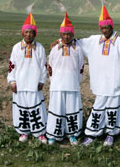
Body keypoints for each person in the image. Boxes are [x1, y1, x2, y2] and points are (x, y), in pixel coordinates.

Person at [78, 5, 120, 147]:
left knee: (113, 110)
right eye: (102, 28)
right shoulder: (95, 40)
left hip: (115, 83)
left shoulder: (119, 42)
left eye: (106, 28)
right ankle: (92, 134)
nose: (104, 31)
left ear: (111, 27)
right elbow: (77, 42)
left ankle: (110, 135)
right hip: (101, 83)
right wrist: (60, 42)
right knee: (98, 108)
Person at [7, 12, 48, 144]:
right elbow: (12, 66)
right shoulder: (16, 48)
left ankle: (40, 133)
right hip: (20, 84)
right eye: (26, 32)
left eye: (31, 32)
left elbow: (43, 66)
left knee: (36, 109)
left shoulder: (40, 48)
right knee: (22, 109)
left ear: (35, 34)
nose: (28, 34)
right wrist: (12, 81)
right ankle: (24, 132)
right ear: (22, 33)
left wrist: (42, 80)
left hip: (34, 84)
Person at [46, 12, 84, 146]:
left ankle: (72, 135)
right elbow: (49, 66)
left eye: (69, 34)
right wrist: (54, 80)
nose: (66, 37)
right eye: (64, 34)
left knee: (72, 110)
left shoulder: (78, 48)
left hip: (72, 85)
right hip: (57, 85)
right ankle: (53, 135)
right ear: (60, 34)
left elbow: (81, 67)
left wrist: (75, 81)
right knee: (56, 110)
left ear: (73, 34)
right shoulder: (55, 48)